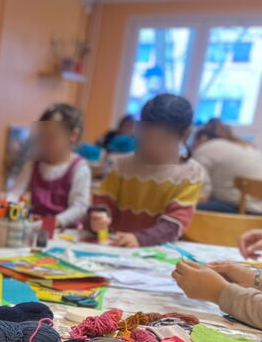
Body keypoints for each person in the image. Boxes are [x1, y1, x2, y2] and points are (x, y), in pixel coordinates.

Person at [88, 94, 206, 247]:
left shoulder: (190, 172)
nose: (152, 146)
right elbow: (103, 202)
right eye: (146, 137)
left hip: (159, 251)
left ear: (184, 136)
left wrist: (140, 238)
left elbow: (175, 223)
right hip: (117, 246)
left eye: (162, 140)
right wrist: (98, 216)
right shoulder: (122, 164)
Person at [7, 103, 91, 228]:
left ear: (73, 135)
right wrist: (8, 205)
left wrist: (55, 222)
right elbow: (15, 193)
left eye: (52, 136)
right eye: (42, 136)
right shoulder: (33, 164)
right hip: (36, 228)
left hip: (65, 231)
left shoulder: (79, 168)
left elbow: (79, 207)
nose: (45, 142)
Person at [191, 118, 262, 214]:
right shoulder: (248, 147)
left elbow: (202, 191)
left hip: (240, 210)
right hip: (258, 214)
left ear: (202, 138)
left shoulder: (206, 148)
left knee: (182, 208)